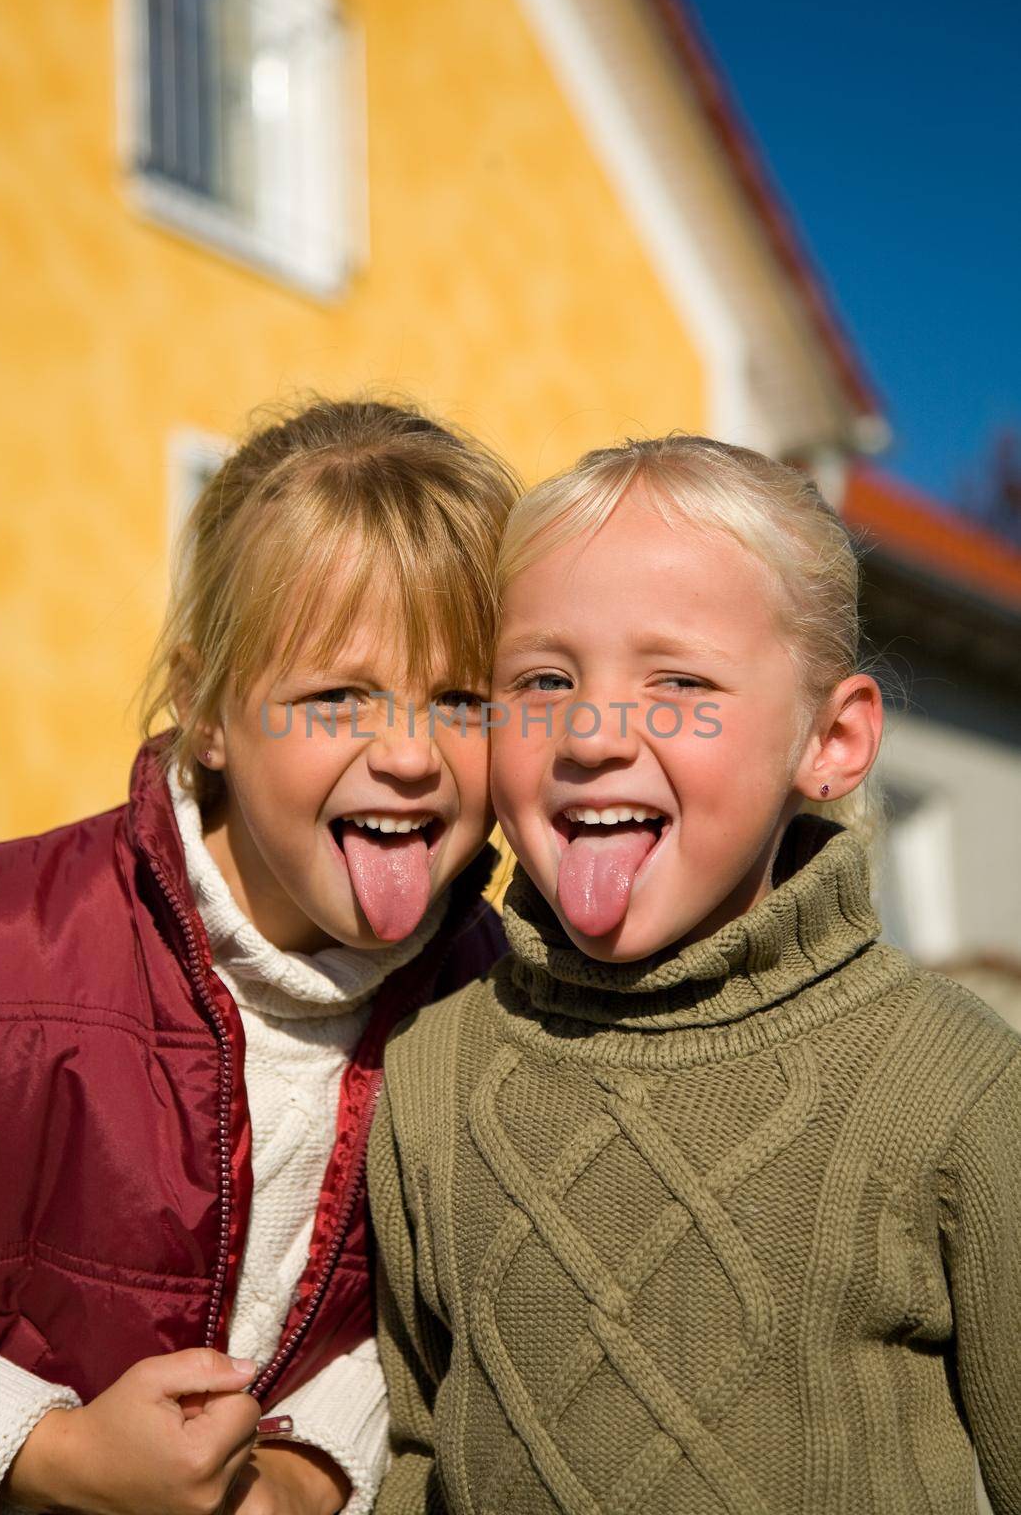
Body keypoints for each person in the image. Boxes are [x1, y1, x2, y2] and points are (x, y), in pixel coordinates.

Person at [368, 433, 1021, 1514]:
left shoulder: (954, 1086)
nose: (588, 731)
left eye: (676, 680)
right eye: (541, 678)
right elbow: (420, 1451)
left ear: (832, 738)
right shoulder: (432, 1076)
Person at [0, 398, 521, 1515]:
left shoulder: (507, 1005)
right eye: (336, 696)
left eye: (462, 697)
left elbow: (475, 1308)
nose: (407, 754)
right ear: (205, 707)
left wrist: (311, 1473)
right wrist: (46, 1454)